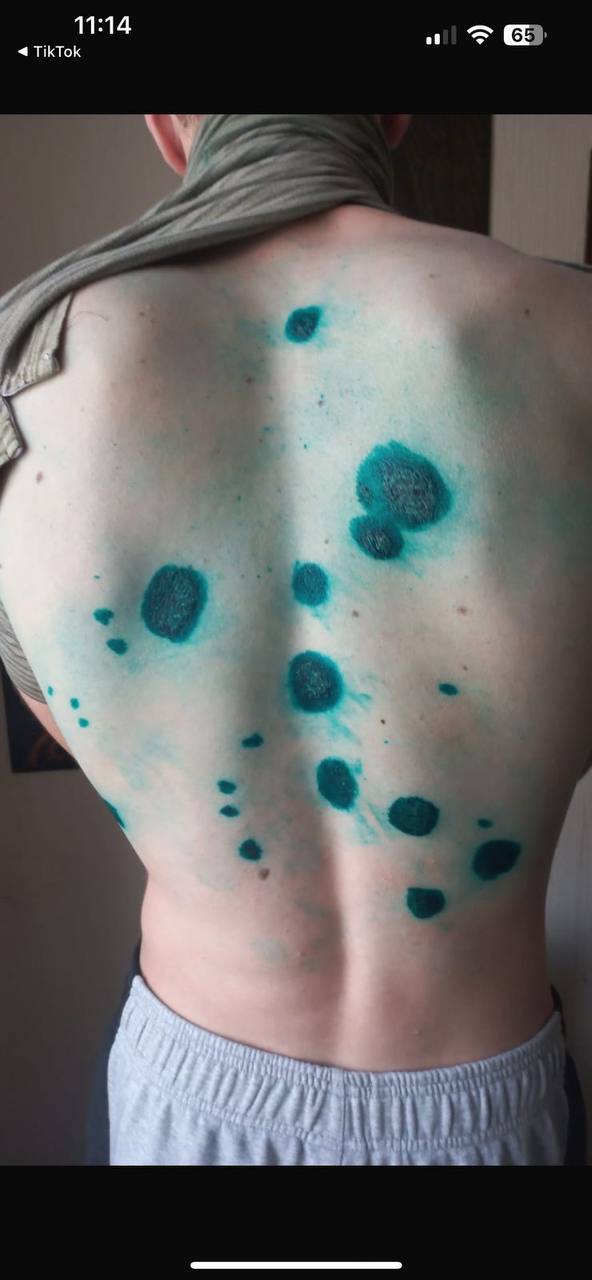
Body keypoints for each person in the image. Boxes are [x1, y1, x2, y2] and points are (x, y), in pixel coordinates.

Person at [0, 114, 589, 1166]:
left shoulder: (24, 368)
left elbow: (63, 708)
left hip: (191, 1101)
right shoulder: (574, 332)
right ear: (397, 109)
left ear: (166, 120)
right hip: (489, 1108)